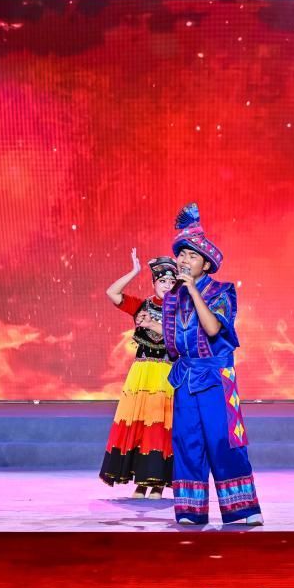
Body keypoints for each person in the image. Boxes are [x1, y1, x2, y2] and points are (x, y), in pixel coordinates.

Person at [163, 203, 262, 526]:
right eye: (181, 255)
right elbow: (175, 342)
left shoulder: (222, 291)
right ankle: (190, 511)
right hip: (186, 376)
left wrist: (193, 290)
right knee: (187, 442)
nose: (183, 260)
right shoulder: (172, 297)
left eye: (191, 256)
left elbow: (212, 329)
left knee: (223, 440)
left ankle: (242, 509)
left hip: (216, 377)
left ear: (206, 264)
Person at [99, 250, 177, 498]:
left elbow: (177, 337)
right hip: (142, 373)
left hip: (167, 373)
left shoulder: (180, 309)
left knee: (161, 425)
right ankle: (142, 482)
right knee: (141, 424)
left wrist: (152, 324)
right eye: (162, 281)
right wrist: (134, 271)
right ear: (154, 282)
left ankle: (158, 483)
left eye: (171, 281)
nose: (167, 285)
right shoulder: (142, 305)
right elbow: (112, 293)